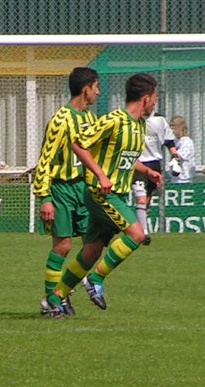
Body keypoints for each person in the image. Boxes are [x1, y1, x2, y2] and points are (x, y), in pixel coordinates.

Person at [43, 73, 163, 318]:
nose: (155, 104)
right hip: (102, 194)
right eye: (155, 99)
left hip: (116, 193)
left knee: (92, 251)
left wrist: (147, 171)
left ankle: (57, 296)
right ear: (147, 98)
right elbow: (78, 144)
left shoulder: (139, 125)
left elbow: (124, 159)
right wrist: (99, 174)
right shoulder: (114, 120)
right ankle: (95, 278)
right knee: (137, 235)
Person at [33, 67, 100, 316]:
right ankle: (52, 300)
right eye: (96, 87)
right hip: (61, 189)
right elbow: (45, 160)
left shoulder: (93, 120)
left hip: (85, 190)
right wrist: (45, 198)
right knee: (63, 246)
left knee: (93, 246)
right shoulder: (60, 120)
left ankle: (62, 292)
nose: (98, 92)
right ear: (86, 89)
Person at [132, 110, 180, 245]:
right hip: (138, 164)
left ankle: (141, 225)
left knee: (146, 200)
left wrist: (175, 156)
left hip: (154, 164)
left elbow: (169, 141)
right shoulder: (132, 119)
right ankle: (144, 233)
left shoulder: (160, 120)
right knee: (140, 199)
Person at [169, 115, 196, 184]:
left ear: (181, 127)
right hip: (175, 178)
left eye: (173, 126)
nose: (171, 128)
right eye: (170, 126)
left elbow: (178, 157)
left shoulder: (187, 141)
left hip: (184, 179)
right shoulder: (175, 141)